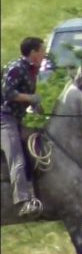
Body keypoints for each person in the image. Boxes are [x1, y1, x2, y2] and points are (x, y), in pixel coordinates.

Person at [1, 37, 46, 216]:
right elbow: (8, 93)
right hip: (4, 118)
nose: (44, 54)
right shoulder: (16, 68)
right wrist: (30, 98)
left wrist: (36, 105)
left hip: (17, 119)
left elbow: (27, 96)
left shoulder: (31, 70)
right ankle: (23, 202)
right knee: (16, 157)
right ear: (33, 53)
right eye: (42, 51)